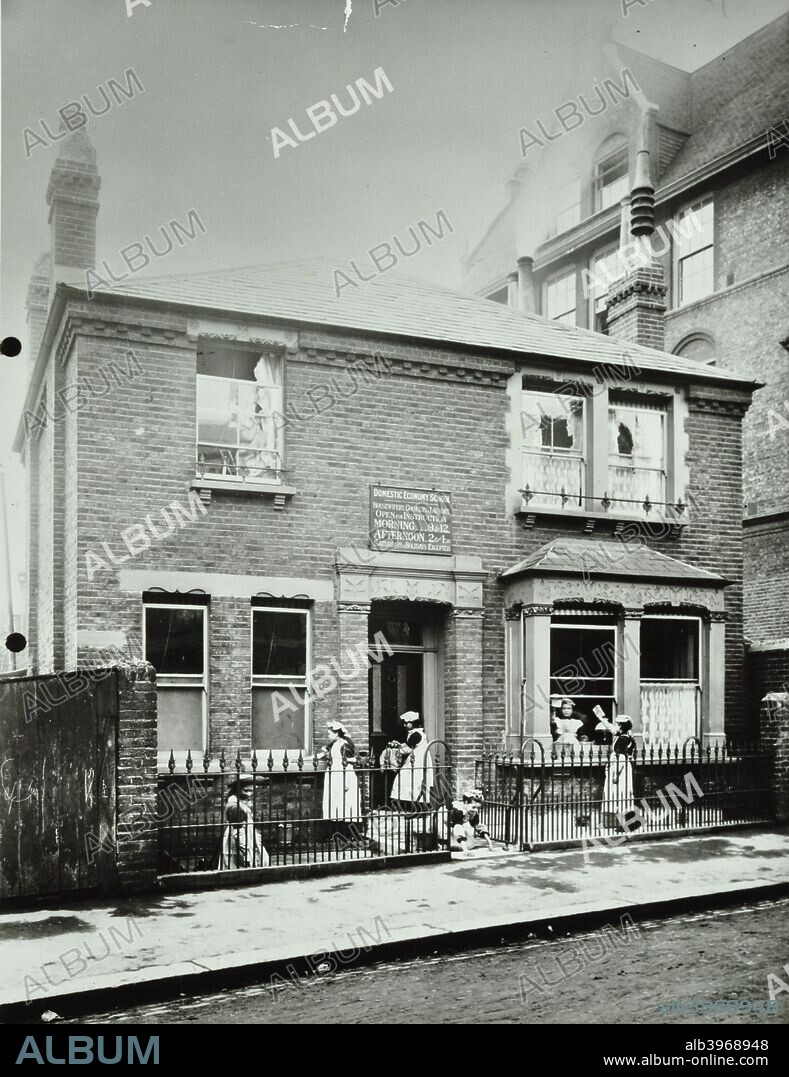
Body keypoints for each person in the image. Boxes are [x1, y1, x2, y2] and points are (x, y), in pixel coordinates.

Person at [595, 710, 636, 829]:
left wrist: (615, 776)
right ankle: (624, 823)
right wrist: (602, 719)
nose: (616, 726)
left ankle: (625, 824)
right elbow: (612, 728)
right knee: (622, 794)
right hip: (622, 768)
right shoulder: (626, 736)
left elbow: (620, 759)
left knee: (619, 794)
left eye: (618, 724)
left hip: (619, 769)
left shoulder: (622, 739)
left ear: (621, 726)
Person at [218, 775, 269, 869]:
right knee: (236, 866)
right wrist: (245, 855)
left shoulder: (242, 803)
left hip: (248, 837)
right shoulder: (234, 806)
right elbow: (239, 834)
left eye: (251, 790)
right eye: (246, 790)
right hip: (237, 842)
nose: (249, 794)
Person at [390, 711, 434, 811]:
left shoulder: (417, 734)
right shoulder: (414, 733)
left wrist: (396, 751)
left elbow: (409, 747)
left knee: (414, 781)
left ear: (413, 722)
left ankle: (417, 807)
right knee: (408, 781)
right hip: (414, 760)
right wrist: (399, 745)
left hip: (417, 760)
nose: (405, 725)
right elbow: (408, 744)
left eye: (406, 723)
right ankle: (407, 805)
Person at [321, 721, 360, 821]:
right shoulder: (334, 744)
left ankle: (346, 830)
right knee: (335, 802)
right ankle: (336, 826)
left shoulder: (344, 745)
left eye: (330, 733)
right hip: (335, 775)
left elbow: (349, 764)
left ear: (337, 733)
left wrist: (346, 782)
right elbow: (321, 755)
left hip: (342, 776)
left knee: (345, 803)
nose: (329, 736)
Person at [449, 789, 494, 857]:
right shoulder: (458, 810)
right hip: (442, 826)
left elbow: (478, 826)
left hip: (454, 827)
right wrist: (465, 850)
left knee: (470, 843)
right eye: (474, 807)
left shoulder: (472, 811)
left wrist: (489, 843)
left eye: (478, 808)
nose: (476, 810)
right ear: (466, 803)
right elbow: (458, 827)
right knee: (460, 832)